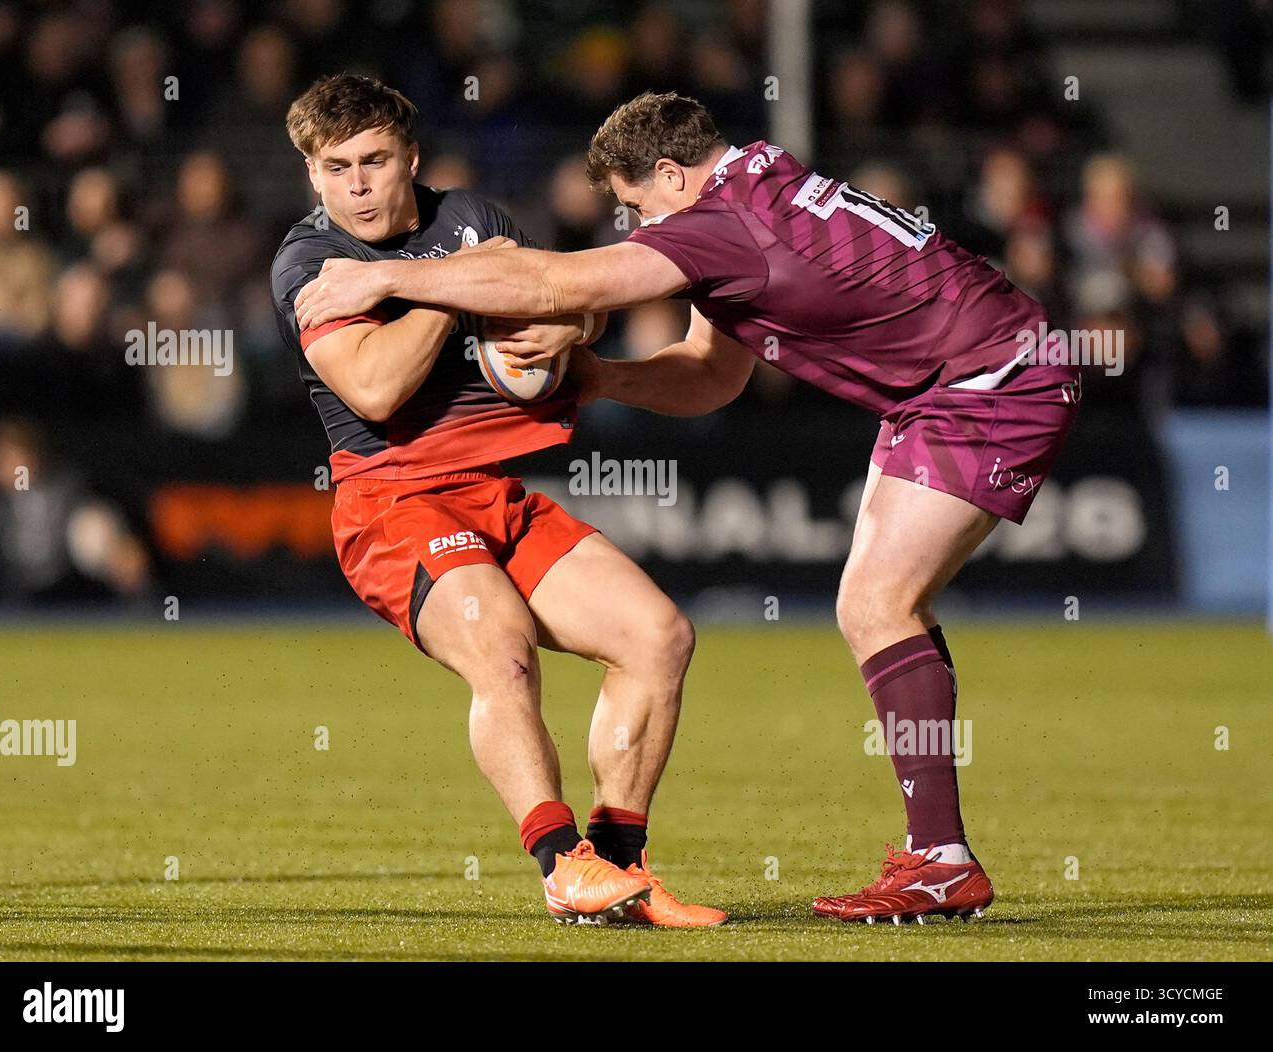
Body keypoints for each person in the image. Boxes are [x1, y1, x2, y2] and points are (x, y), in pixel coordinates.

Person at [295, 91, 1085, 924]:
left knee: (876, 604)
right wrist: (600, 378)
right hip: (953, 386)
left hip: (989, 385)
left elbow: (561, 279)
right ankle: (923, 857)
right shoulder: (759, 189)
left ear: (673, 174)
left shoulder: (717, 227)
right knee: (875, 607)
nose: (636, 229)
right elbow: (712, 376)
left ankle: (939, 860)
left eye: (635, 208)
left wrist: (385, 274)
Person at [271, 76, 725, 927]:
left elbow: (570, 311)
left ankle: (616, 871)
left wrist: (568, 328)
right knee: (502, 647)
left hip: (496, 495)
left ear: (411, 157)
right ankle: (560, 866)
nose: (357, 185)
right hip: (390, 503)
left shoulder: (476, 218)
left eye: (374, 161)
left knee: (657, 637)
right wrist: (457, 284)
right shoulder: (310, 264)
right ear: (312, 176)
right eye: (335, 168)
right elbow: (374, 387)